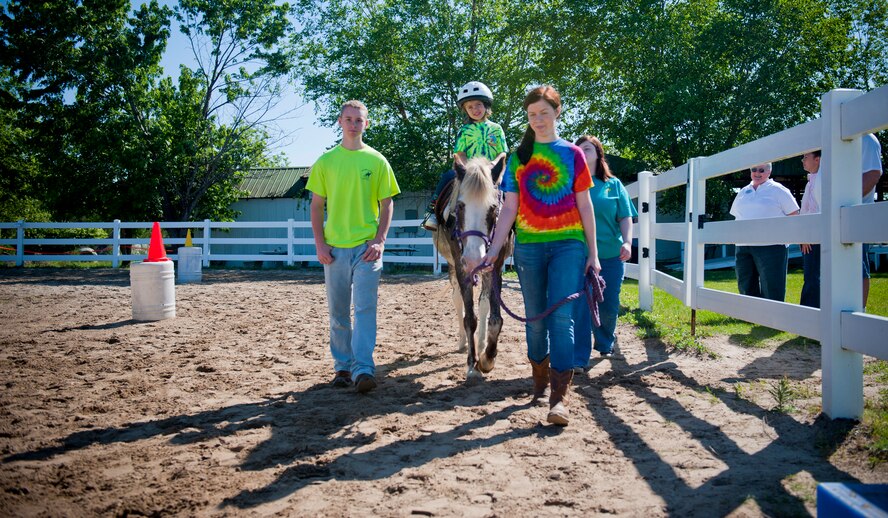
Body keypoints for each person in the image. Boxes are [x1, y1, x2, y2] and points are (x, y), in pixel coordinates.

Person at [481, 85, 600, 426]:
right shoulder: (520, 157)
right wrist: (492, 250)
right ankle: (539, 378)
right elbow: (509, 211)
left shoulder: (574, 155)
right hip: (529, 246)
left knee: (562, 318)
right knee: (535, 321)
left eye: (544, 114)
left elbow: (585, 206)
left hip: (569, 244)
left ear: (556, 113)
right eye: (532, 115)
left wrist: (594, 254)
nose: (538, 120)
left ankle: (559, 398)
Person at [306, 100, 401, 394]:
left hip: (366, 249)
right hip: (334, 250)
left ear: (366, 124)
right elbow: (316, 206)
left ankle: (363, 368)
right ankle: (342, 367)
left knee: (364, 309)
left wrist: (380, 240)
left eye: (359, 120)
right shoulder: (325, 162)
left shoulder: (377, 161)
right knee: (338, 313)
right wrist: (320, 244)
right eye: (348, 119)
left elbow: (387, 204)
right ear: (340, 122)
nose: (353, 124)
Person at [573, 135, 637, 371]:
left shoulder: (613, 185)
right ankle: (577, 355)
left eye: (587, 149)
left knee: (608, 304)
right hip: (577, 254)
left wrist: (628, 242)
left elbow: (625, 216)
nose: (582, 152)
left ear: (598, 155)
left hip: (610, 254)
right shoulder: (568, 183)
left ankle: (604, 342)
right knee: (579, 305)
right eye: (578, 149)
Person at [421, 81, 508, 230]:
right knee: (447, 176)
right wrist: (467, 168)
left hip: (493, 170)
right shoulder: (464, 130)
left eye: (478, 104)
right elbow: (460, 153)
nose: (475, 109)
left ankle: (520, 220)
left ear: (486, 105)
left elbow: (502, 152)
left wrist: (494, 163)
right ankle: (432, 212)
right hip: (470, 172)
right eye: (470, 107)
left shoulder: (496, 128)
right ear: (465, 110)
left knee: (514, 186)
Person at [729, 163, 799, 301]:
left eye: (761, 170)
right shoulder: (743, 192)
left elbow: (794, 214)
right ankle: (750, 315)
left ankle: (773, 317)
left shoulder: (779, 190)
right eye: (754, 170)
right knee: (745, 283)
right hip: (743, 246)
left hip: (771, 246)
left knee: (772, 286)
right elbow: (737, 216)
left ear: (769, 171)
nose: (757, 173)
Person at [861, 133, 883, 308]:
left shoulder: (867, 139)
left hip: (855, 213)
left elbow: (873, 173)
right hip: (833, 214)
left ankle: (859, 311)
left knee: (857, 267)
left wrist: (845, 199)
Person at [799, 150, 821, 308]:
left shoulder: (822, 180)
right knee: (811, 276)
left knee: (813, 276)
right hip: (810, 236)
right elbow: (805, 211)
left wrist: (808, 235)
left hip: (817, 236)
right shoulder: (811, 181)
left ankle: (809, 314)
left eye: (806, 157)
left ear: (817, 159)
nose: (802, 160)